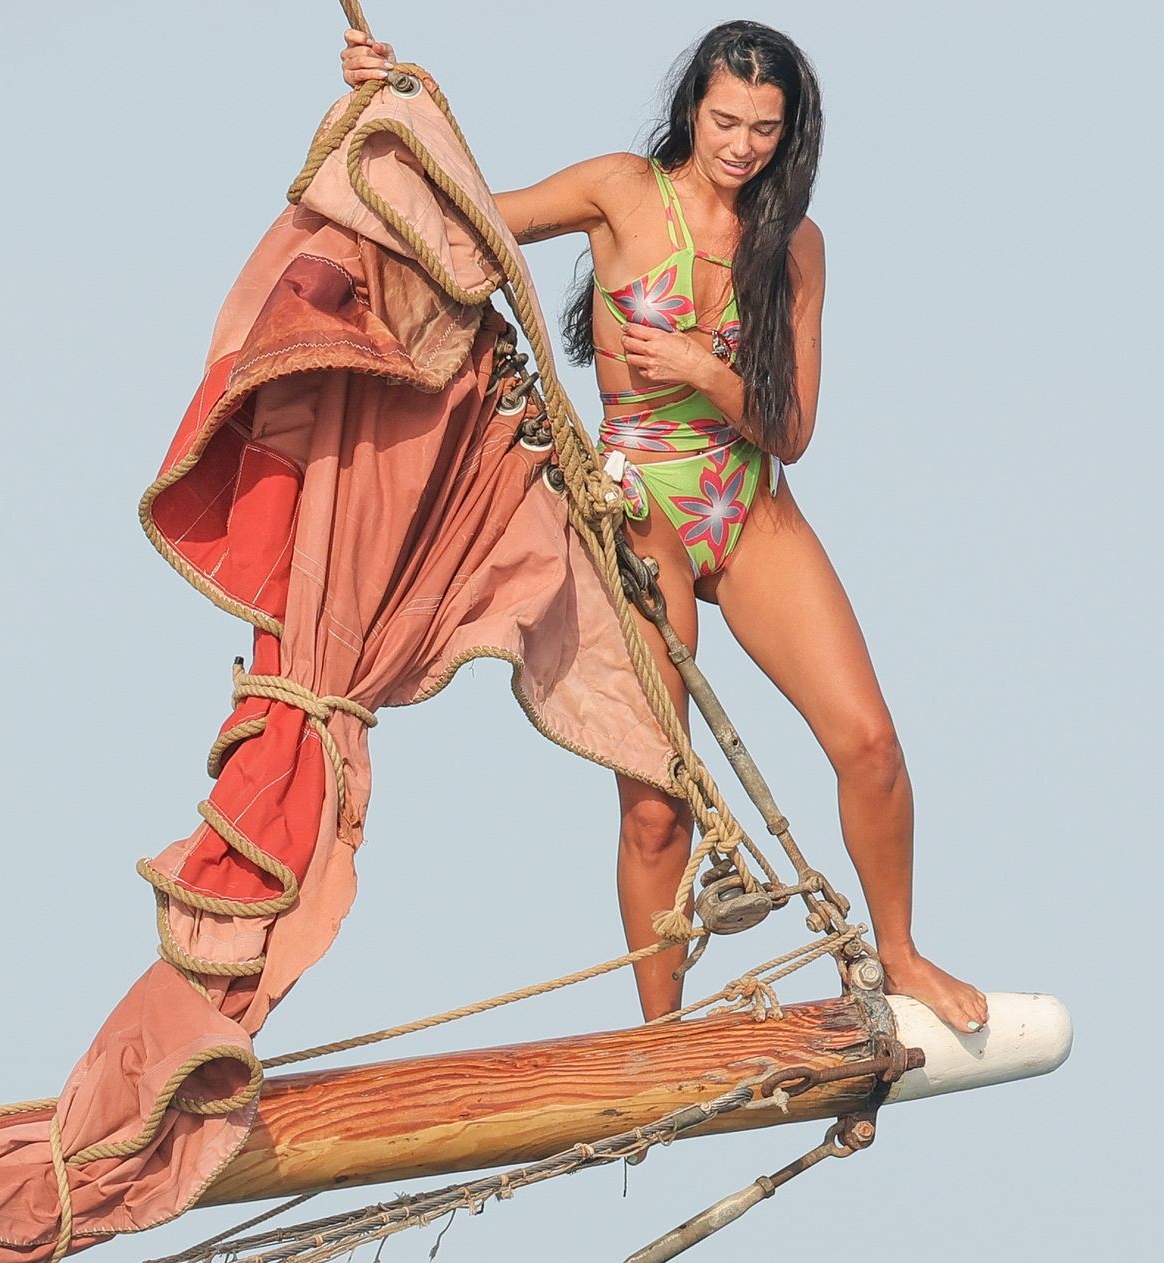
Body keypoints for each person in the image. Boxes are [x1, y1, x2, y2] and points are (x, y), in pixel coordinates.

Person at [341, 20, 988, 1034]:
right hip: (638, 502)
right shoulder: (620, 191)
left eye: (765, 130)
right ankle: (661, 1036)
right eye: (726, 120)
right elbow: (462, 222)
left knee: (871, 746)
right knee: (657, 801)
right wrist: (382, 111)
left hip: (748, 498)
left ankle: (901, 954)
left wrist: (702, 368)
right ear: (694, 106)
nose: (742, 145)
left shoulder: (797, 246)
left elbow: (793, 430)